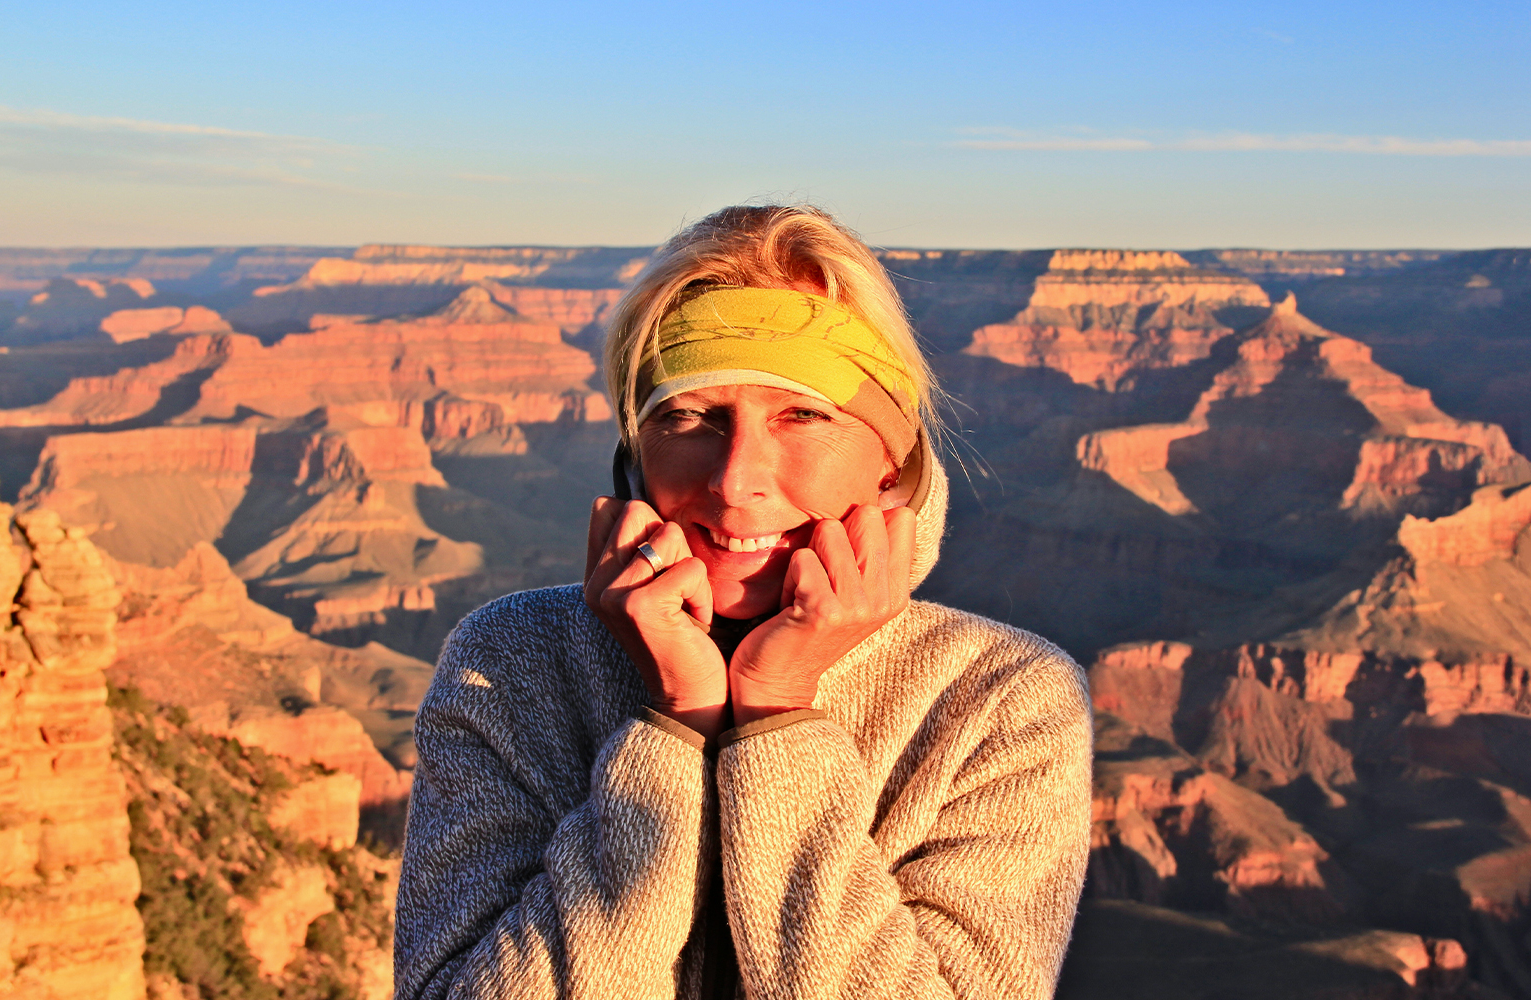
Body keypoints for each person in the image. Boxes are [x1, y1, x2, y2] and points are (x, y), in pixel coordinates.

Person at [395, 205, 1092, 1000]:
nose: (735, 481)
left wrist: (778, 715)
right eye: (689, 417)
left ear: (892, 467)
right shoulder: (511, 665)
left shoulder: (1002, 701)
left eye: (803, 415)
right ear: (633, 462)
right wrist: (674, 720)